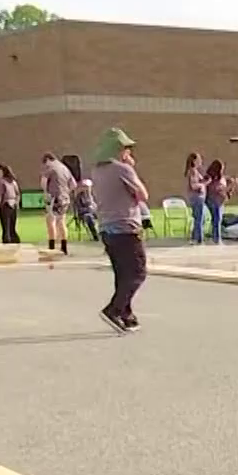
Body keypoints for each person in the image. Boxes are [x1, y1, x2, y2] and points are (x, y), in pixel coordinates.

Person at [90, 128, 149, 333]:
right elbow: (143, 195)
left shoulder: (97, 171)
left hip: (106, 227)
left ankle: (127, 315)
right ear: (118, 150)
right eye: (125, 149)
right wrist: (131, 168)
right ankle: (114, 309)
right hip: (126, 226)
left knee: (122, 274)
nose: (128, 153)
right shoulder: (123, 169)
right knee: (138, 272)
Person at [41, 152, 76, 254]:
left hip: (54, 197)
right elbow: (73, 184)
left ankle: (51, 247)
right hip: (65, 198)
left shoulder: (50, 168)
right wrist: (66, 191)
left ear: (48, 160)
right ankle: (64, 248)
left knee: (50, 220)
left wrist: (46, 193)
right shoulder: (65, 168)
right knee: (61, 221)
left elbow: (43, 182)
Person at [0, 164, 22, 243]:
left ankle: (7, 245)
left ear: (1, 171)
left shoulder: (1, 182)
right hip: (13, 205)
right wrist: (16, 204)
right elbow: (18, 194)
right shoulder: (13, 182)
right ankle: (16, 243)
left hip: (5, 206)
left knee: (6, 230)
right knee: (12, 229)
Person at [200, 159, 227, 245]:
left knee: (217, 219)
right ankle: (216, 238)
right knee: (217, 219)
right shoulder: (210, 177)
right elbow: (211, 188)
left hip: (219, 201)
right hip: (213, 200)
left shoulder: (220, 177)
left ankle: (216, 237)